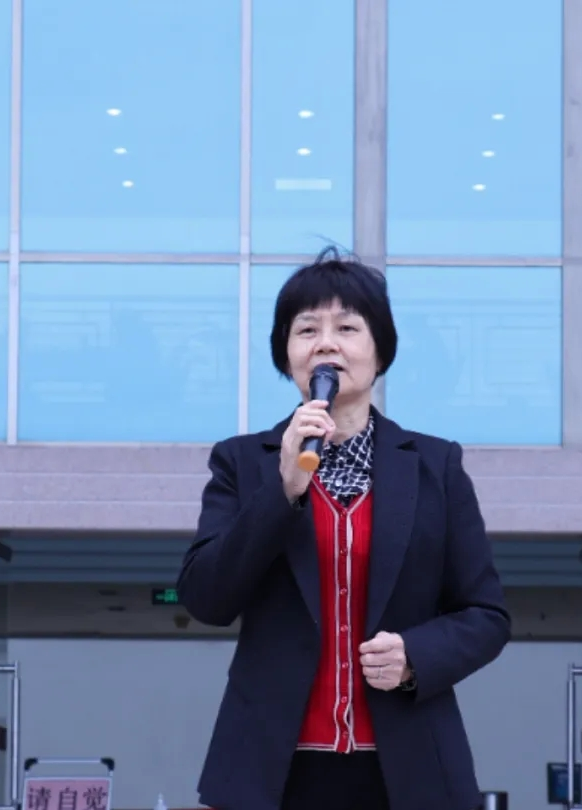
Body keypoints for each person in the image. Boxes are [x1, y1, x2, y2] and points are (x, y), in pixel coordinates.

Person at [177, 247, 511, 810]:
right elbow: (206, 597)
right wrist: (281, 489)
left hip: (409, 767)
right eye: (307, 329)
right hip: (270, 771)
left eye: (347, 328)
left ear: (380, 350)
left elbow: (487, 615)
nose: (325, 344)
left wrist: (415, 655)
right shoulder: (242, 462)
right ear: (286, 353)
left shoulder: (436, 467)